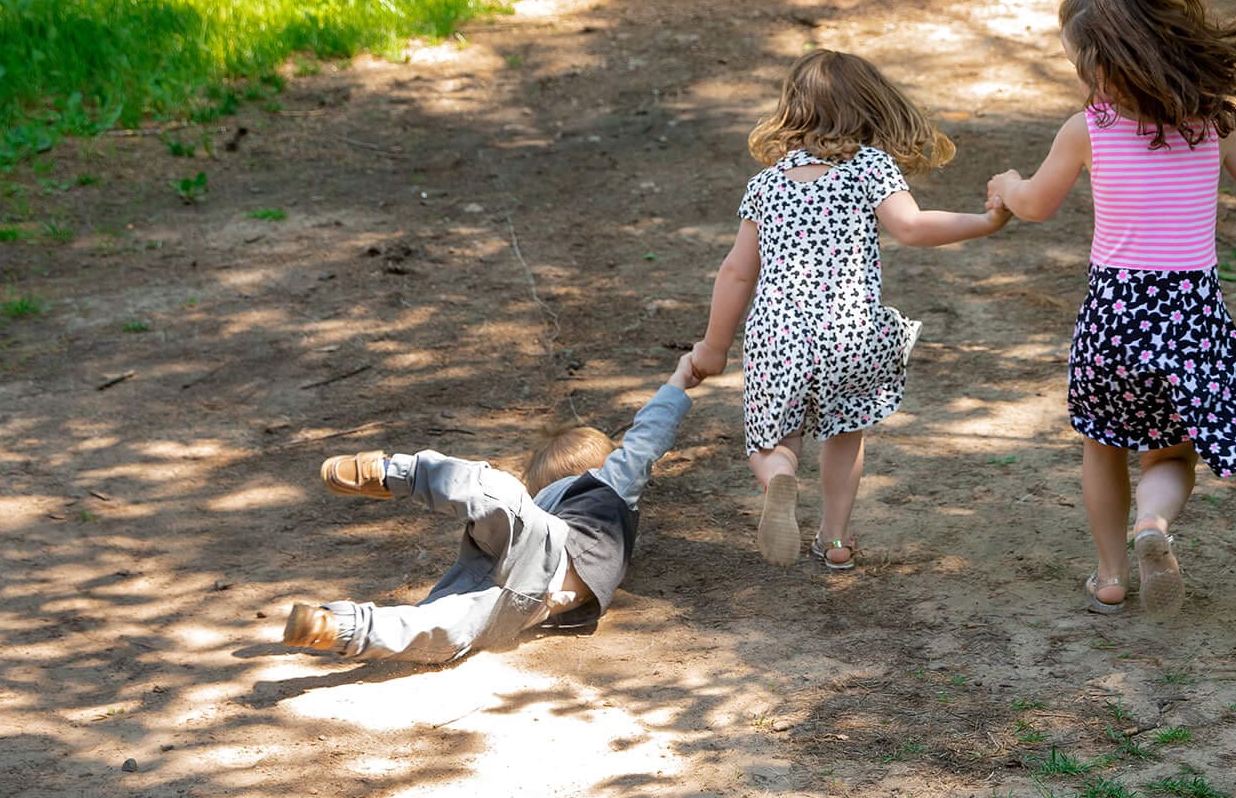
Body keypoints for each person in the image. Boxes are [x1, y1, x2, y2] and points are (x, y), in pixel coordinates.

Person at [987, 0, 1236, 620]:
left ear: (1100, 64)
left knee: (1102, 443)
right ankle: (1154, 528)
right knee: (1171, 449)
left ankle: (1110, 577)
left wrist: (1006, 185)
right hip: (1189, 316)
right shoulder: (1214, 121)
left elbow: (1036, 204)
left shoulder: (1089, 128)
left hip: (1112, 315)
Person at [689, 50, 1010, 572]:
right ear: (869, 108)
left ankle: (779, 478)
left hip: (779, 335)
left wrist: (713, 347)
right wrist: (984, 222)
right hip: (850, 335)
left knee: (771, 436)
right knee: (844, 430)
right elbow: (912, 226)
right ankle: (835, 539)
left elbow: (736, 272)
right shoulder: (869, 167)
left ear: (792, 111)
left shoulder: (767, 183)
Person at [279, 355, 698, 661]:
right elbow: (645, 439)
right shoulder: (606, 483)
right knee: (497, 496)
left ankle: (337, 626)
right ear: (600, 467)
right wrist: (678, 383)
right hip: (544, 559)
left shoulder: (569, 498)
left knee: (446, 629)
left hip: (524, 601)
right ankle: (394, 474)